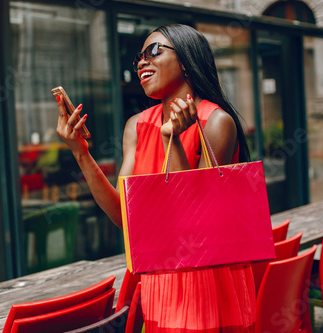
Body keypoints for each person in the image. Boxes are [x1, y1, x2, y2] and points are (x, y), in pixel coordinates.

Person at [56, 24, 255, 332]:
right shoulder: (136, 126)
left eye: (154, 51)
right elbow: (126, 218)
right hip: (158, 278)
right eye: (140, 56)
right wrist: (80, 153)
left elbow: (192, 219)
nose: (141, 62)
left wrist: (171, 139)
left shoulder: (216, 122)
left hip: (204, 279)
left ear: (187, 60)